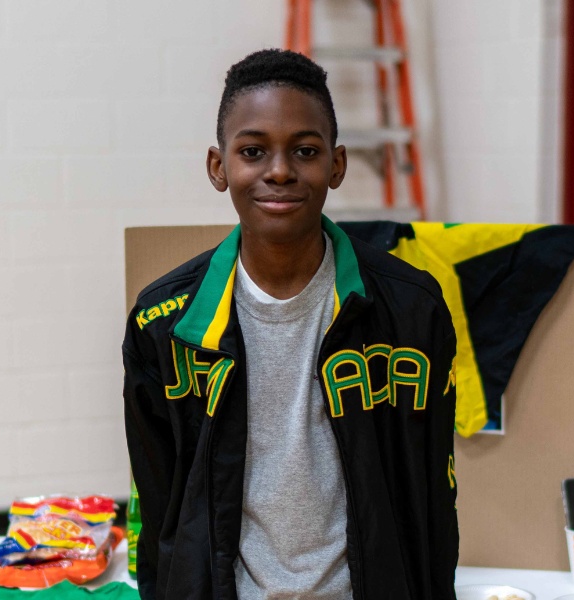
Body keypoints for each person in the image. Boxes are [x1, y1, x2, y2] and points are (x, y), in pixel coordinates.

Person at [123, 48, 458, 600]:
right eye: (253, 151)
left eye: (304, 150)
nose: (279, 171)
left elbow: (434, 496)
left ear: (337, 164)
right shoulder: (163, 321)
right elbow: (159, 503)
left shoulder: (411, 309)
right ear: (218, 166)